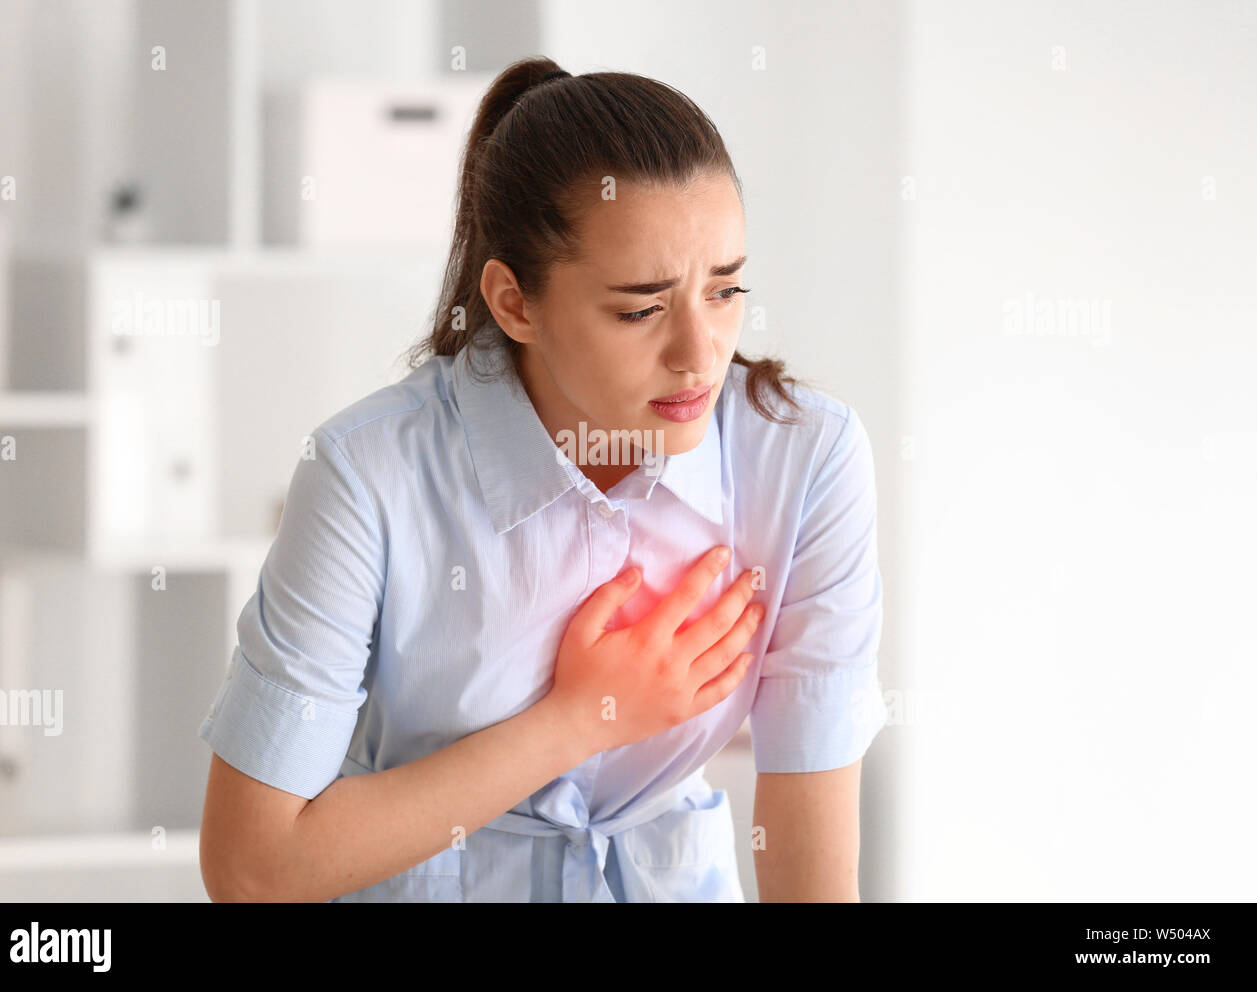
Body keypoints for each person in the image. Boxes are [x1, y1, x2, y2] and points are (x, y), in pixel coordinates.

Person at [197, 57, 888, 902]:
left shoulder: (806, 459)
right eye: (640, 309)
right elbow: (253, 869)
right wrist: (575, 719)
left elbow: (808, 851)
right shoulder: (367, 473)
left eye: (727, 290)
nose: (700, 353)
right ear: (515, 303)